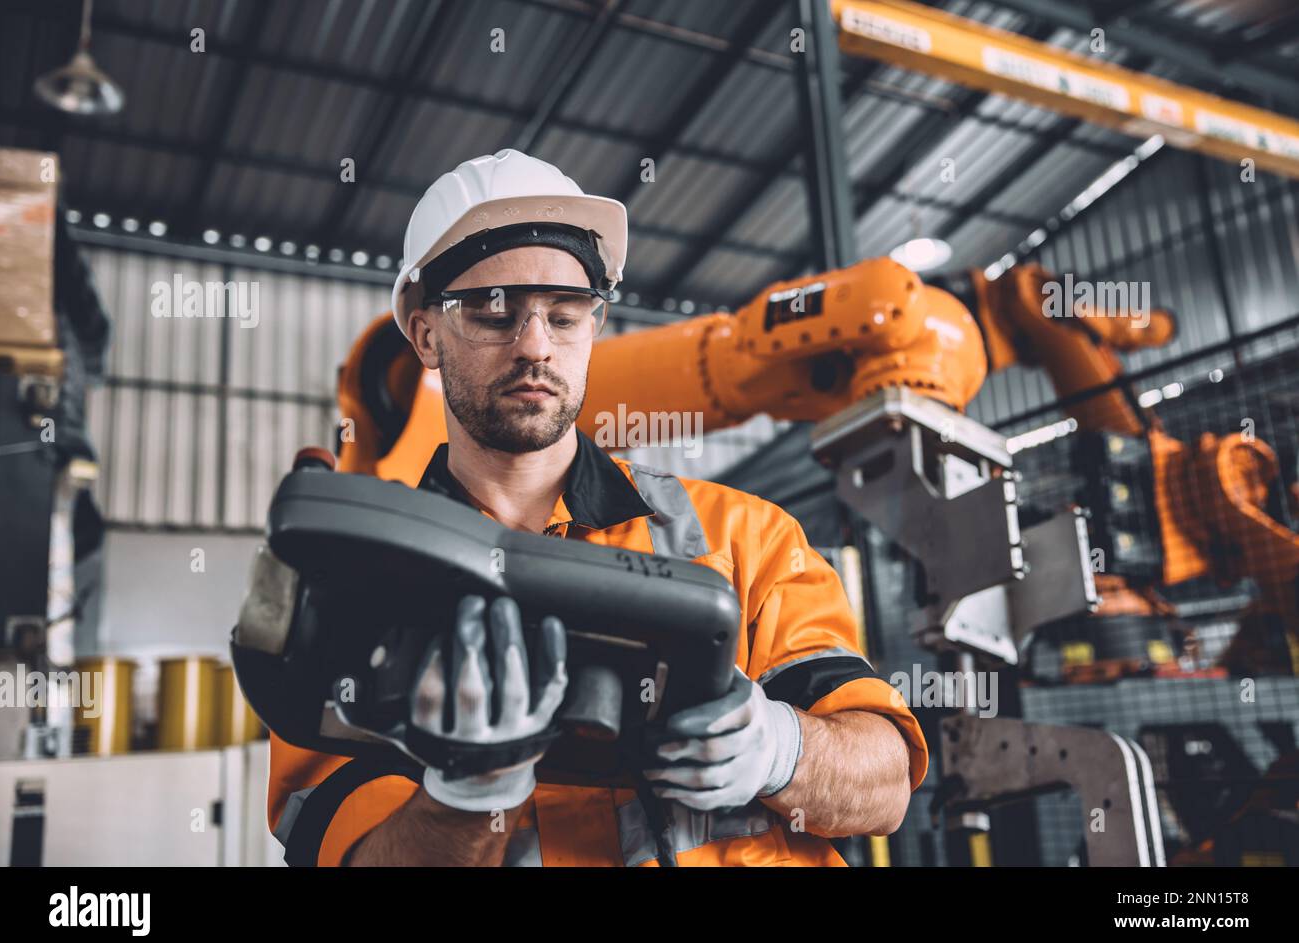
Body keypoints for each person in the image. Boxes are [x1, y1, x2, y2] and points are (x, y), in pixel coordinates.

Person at [269, 149, 927, 866]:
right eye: (494, 312)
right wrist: (463, 798)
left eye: (565, 313)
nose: (535, 346)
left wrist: (780, 749)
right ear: (426, 335)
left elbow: (887, 786)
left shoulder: (746, 539)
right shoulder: (355, 592)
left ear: (596, 326)